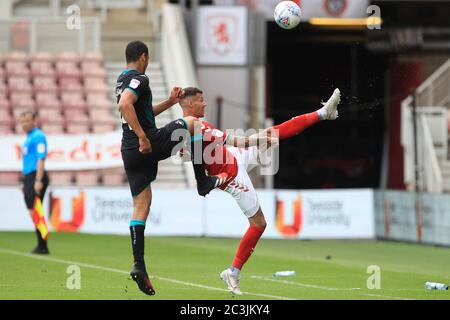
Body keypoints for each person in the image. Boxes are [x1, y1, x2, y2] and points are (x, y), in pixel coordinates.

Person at [178, 87, 341, 295]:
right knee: (259, 223)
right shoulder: (198, 127)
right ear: (190, 104)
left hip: (233, 156)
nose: (205, 103)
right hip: (232, 174)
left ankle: (322, 113)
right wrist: (260, 139)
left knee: (276, 131)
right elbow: (239, 141)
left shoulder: (187, 129)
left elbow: (190, 152)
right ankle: (233, 272)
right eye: (201, 100)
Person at [116, 41, 222, 296]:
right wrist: (142, 136)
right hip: (146, 144)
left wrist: (170, 101)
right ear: (144, 56)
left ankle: (139, 265)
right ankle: (202, 181)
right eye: (148, 57)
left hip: (128, 152)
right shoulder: (140, 78)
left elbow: (142, 110)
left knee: (141, 205)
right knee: (194, 124)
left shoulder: (122, 79)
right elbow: (124, 106)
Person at [19, 111, 50, 254]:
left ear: (34, 121)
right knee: (33, 211)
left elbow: (40, 159)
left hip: (36, 177)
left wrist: (37, 180)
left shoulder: (38, 136)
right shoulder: (29, 138)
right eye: (22, 121)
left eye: (27, 120)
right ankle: (42, 244)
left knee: (35, 210)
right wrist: (24, 181)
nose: (24, 124)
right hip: (29, 177)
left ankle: (42, 245)